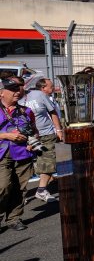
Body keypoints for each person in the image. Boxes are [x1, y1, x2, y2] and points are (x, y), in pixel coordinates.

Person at [0, 78, 35, 231]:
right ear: (1, 93)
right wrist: (6, 136)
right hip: (2, 154)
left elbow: (34, 131)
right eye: (13, 89)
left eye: (18, 88)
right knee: (3, 187)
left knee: (20, 188)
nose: (17, 92)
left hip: (23, 153)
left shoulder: (26, 111)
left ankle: (14, 218)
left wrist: (32, 142)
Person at [21, 78, 62, 202]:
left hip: (46, 134)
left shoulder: (38, 94)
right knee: (23, 167)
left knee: (48, 161)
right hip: (25, 137)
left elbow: (53, 112)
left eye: (20, 85)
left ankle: (41, 190)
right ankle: (20, 195)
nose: (17, 90)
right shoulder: (12, 100)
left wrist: (58, 130)